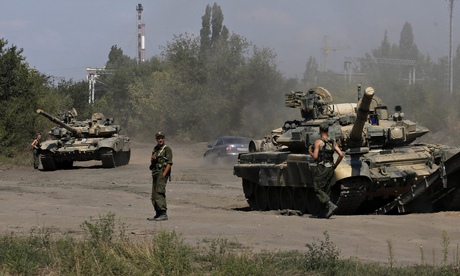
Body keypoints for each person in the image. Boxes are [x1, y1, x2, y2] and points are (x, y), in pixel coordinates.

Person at [308, 123, 344, 218]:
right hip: (330, 168)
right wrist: (335, 165)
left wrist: (310, 152)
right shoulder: (332, 142)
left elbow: (315, 156)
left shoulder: (318, 142)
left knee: (318, 188)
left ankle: (329, 204)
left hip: (321, 168)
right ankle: (323, 212)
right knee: (327, 189)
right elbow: (341, 154)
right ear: (328, 131)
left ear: (320, 131)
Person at [147, 132, 173, 221]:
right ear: (156, 139)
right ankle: (157, 213)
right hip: (155, 173)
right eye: (158, 138)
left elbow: (169, 163)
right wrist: (153, 159)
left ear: (164, 139)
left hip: (162, 172)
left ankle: (163, 213)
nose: (160, 140)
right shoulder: (155, 149)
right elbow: (152, 163)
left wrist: (164, 174)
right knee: (154, 194)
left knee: (159, 192)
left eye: (161, 138)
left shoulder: (167, 149)